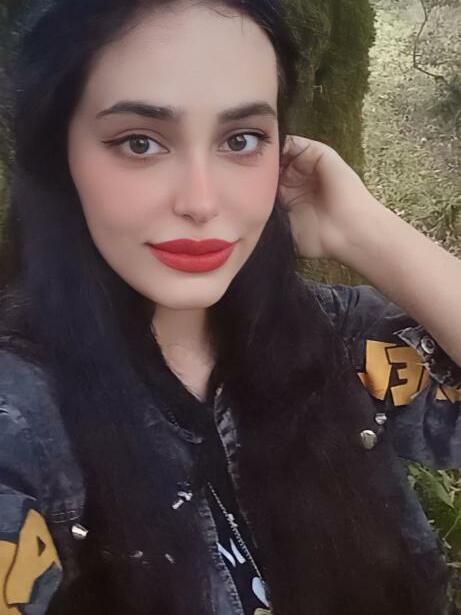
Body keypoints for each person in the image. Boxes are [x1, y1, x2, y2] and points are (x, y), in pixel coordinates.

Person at [0, 0, 459, 613]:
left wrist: (365, 232)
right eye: (139, 142)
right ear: (59, 158)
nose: (201, 201)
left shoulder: (338, 340)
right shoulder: (21, 418)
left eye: (241, 140)